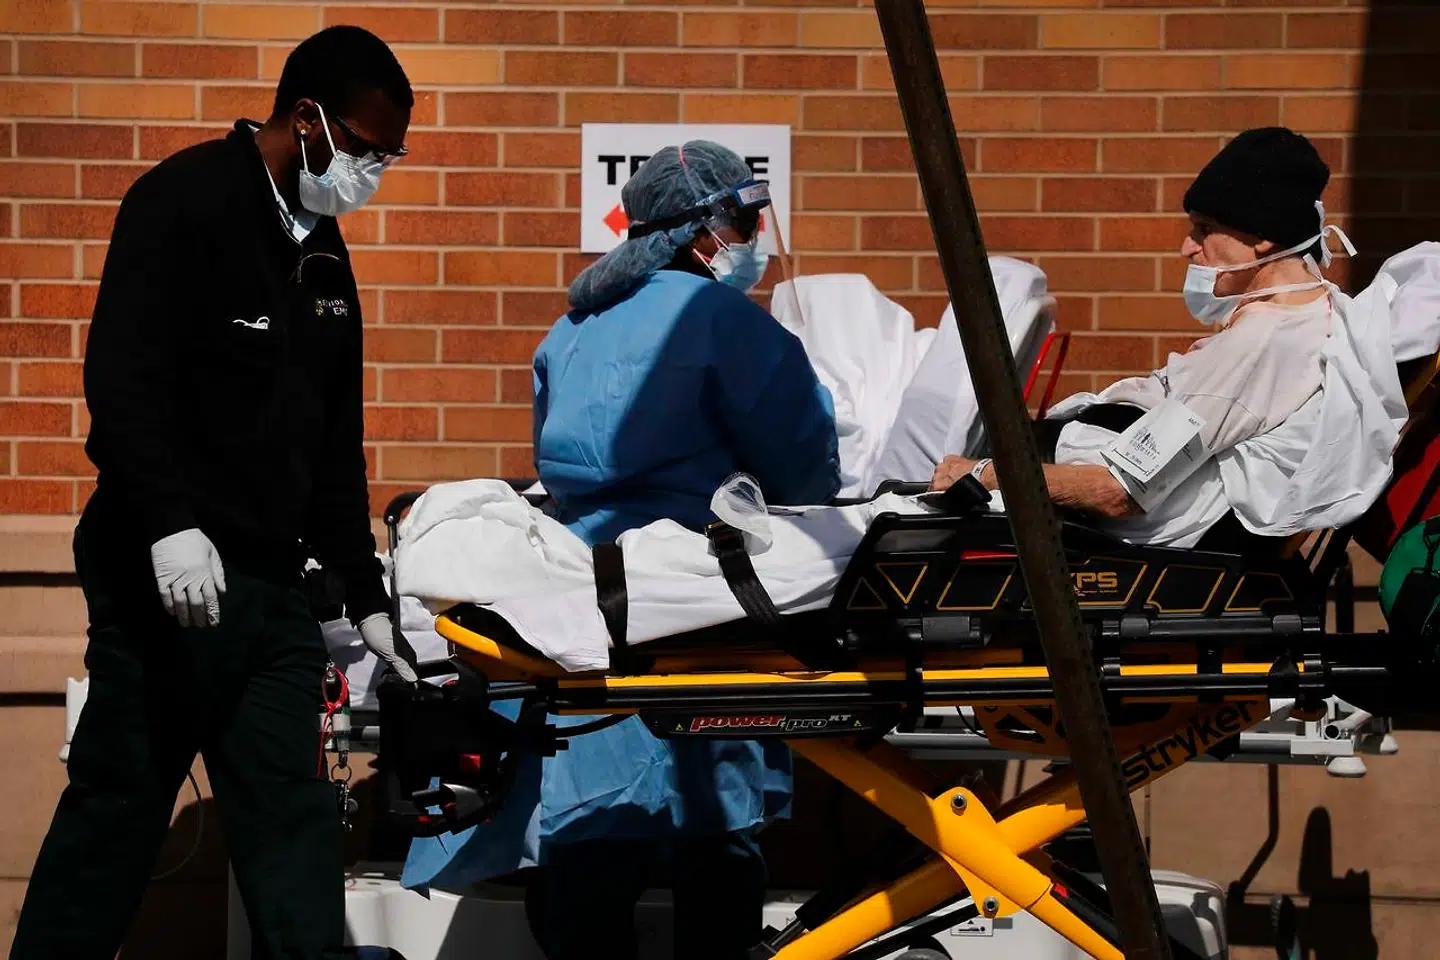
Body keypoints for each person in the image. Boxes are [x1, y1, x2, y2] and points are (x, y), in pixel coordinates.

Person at [11, 26, 416, 960]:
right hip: (162, 578)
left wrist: (364, 594)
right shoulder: (182, 203)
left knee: (291, 817)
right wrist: (167, 522)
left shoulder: (321, 251)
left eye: (388, 156)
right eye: (365, 148)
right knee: (118, 807)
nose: (372, 172)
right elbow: (122, 380)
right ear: (306, 118)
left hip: (268, 590)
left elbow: (333, 438)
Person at [401, 142, 841, 960]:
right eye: (745, 219)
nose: (753, 237)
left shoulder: (572, 328)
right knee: (719, 835)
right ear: (704, 229)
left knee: (593, 828)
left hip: (583, 598)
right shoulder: (726, 323)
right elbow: (805, 468)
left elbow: (557, 464)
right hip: (707, 600)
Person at [930, 127, 1404, 549]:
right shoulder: (1309, 312)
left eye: (1204, 229)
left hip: (1113, 537)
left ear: (1262, 238)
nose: (1186, 247)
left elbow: (1118, 492)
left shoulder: (1263, 343)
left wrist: (982, 475)